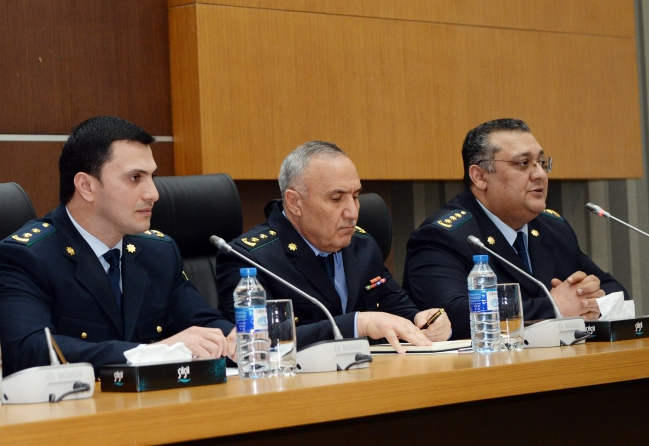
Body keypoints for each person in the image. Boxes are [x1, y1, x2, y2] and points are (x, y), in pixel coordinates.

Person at [0, 116, 235, 375]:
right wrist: (152, 353)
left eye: (152, 177)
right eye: (135, 177)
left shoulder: (158, 252)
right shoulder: (24, 258)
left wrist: (237, 338)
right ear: (86, 186)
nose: (153, 194)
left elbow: (200, 321)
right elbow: (28, 350)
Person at [403, 119, 629, 339]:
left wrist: (590, 300)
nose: (540, 174)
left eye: (541, 162)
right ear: (480, 177)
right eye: (523, 163)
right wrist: (554, 307)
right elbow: (455, 316)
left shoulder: (553, 228)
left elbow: (615, 290)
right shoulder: (441, 237)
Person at [216, 141, 450, 353]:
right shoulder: (249, 259)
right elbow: (255, 342)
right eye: (336, 199)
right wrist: (357, 324)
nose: (352, 212)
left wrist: (425, 322)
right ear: (294, 202)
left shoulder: (363, 246)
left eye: (355, 196)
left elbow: (400, 313)